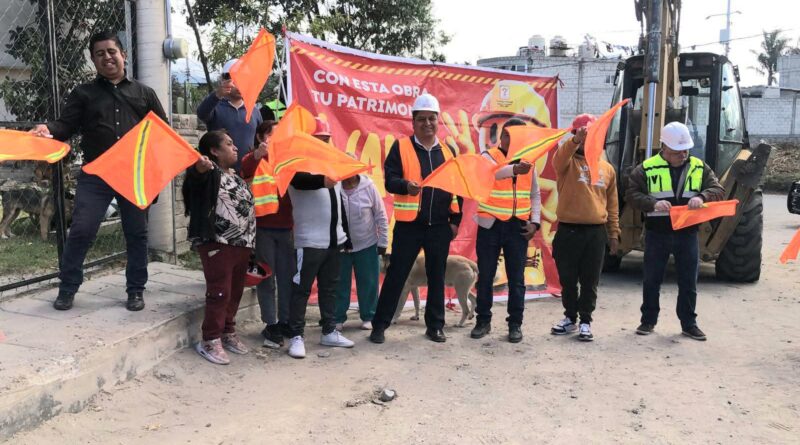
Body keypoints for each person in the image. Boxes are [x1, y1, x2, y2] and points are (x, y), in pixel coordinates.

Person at [30, 31, 167, 312]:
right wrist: (48, 129)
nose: (107, 57)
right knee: (81, 229)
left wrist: (153, 175)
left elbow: (162, 133)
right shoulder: (84, 94)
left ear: (123, 55)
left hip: (133, 175)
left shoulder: (144, 93)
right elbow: (65, 125)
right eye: (100, 54)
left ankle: (135, 290)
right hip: (96, 174)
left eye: (112, 51)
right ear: (93, 60)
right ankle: (67, 288)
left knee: (137, 233)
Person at [369, 93, 463, 344]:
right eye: (422, 119)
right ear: (413, 121)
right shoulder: (401, 147)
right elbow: (390, 180)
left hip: (439, 226)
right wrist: (405, 186)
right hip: (409, 225)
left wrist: (456, 221)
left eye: (432, 118)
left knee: (437, 276)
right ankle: (380, 326)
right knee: (396, 275)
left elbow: (458, 187)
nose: (427, 123)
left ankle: (435, 326)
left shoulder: (449, 151)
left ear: (438, 120)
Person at [626, 122, 724, 341]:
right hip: (657, 233)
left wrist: (702, 196)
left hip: (687, 234)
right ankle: (648, 321)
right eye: (677, 151)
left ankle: (689, 324)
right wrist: (652, 203)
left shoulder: (699, 167)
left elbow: (717, 189)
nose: (682, 155)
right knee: (652, 280)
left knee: (688, 282)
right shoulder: (646, 168)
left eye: (685, 150)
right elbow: (631, 195)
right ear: (664, 147)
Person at [183, 130, 256, 365]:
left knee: (235, 292)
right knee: (220, 292)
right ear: (214, 151)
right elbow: (194, 180)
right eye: (229, 144)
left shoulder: (235, 175)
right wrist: (199, 169)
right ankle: (210, 339)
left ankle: (228, 331)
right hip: (218, 242)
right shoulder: (208, 172)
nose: (235, 147)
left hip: (242, 243)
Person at [285, 119, 355, 359]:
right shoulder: (297, 166)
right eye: (319, 140)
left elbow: (339, 204)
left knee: (330, 288)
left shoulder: (331, 166)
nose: (324, 144)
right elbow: (298, 181)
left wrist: (345, 235)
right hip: (309, 242)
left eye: (326, 140)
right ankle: (296, 335)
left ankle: (329, 330)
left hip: (334, 241)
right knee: (301, 289)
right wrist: (323, 181)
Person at [469, 118, 541, 343]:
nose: (513, 140)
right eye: (509, 135)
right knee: (486, 275)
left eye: (520, 136)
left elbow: (535, 194)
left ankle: (515, 324)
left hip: (518, 227)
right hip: (490, 225)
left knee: (517, 279)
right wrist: (515, 169)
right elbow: (493, 173)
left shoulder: (529, 162)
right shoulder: (488, 155)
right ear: (502, 136)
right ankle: (483, 321)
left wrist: (535, 223)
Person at [549, 114, 620, 342]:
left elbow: (612, 204)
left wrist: (614, 233)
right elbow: (559, 159)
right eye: (581, 134)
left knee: (590, 281)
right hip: (568, 231)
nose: (587, 140)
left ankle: (586, 321)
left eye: (591, 136)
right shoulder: (567, 163)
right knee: (568, 279)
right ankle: (570, 317)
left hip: (595, 233)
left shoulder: (607, 169)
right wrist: (576, 140)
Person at [240, 120, 295, 348]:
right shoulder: (253, 158)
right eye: (273, 135)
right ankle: (271, 324)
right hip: (263, 229)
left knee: (287, 278)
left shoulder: (287, 158)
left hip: (287, 227)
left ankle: (285, 321)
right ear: (261, 137)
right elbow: (246, 169)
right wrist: (258, 155)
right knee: (266, 278)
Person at [334, 165, 389, 331]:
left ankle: (369, 316)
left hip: (367, 244)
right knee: (339, 283)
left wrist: (383, 242)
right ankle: (337, 318)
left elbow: (381, 215)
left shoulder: (369, 187)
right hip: (341, 245)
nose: (348, 176)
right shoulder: (334, 187)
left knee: (369, 282)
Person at [196, 58, 263, 174]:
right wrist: (217, 95)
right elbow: (202, 113)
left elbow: (260, 140)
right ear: (224, 81)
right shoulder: (215, 107)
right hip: (219, 174)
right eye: (236, 82)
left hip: (248, 173)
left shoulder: (254, 111)